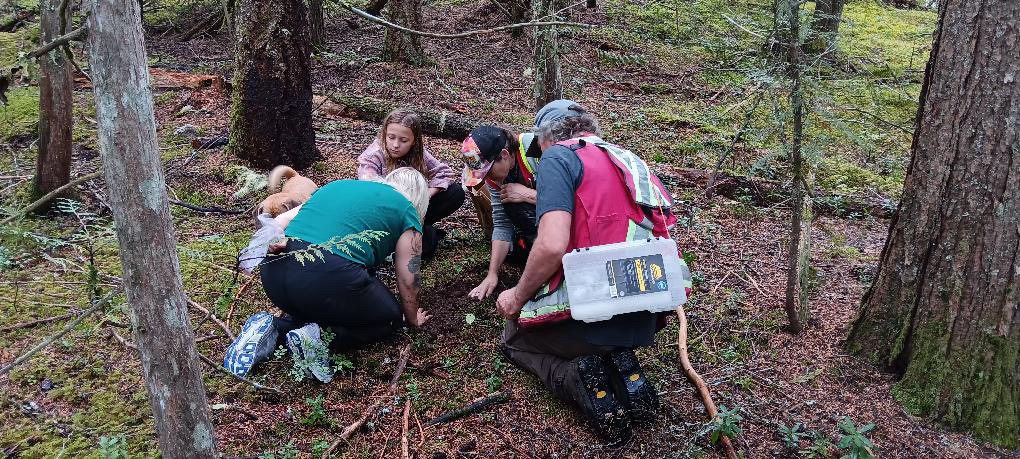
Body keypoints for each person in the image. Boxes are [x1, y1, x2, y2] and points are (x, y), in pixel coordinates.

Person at [494, 100, 682, 445]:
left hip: (593, 314)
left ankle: (576, 375)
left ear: (547, 137)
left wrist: (517, 296)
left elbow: (551, 245)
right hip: (645, 316)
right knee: (595, 329)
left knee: (512, 336)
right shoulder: (630, 160)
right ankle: (620, 364)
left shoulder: (558, 157)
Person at [224, 168, 432, 383]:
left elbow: (277, 223)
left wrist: (263, 247)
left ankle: (274, 329)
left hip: (274, 274)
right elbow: (408, 277)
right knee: (389, 318)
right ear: (419, 199)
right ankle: (320, 340)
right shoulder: (407, 210)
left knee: (321, 303)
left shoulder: (338, 185)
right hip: (325, 277)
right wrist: (411, 318)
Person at [358, 108, 465, 258]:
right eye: (391, 137)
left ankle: (417, 228)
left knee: (455, 192)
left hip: (412, 210)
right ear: (384, 135)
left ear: (414, 141)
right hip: (384, 211)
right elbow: (367, 181)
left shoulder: (418, 153)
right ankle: (402, 237)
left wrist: (425, 195)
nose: (395, 145)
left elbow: (442, 173)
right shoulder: (375, 154)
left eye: (403, 140)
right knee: (421, 250)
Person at [460, 125, 544, 300]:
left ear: (504, 155)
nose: (487, 179)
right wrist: (492, 273)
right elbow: (501, 222)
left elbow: (576, 198)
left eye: (487, 172)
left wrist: (529, 195)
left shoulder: (537, 147)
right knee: (509, 249)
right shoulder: (495, 176)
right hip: (536, 222)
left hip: (571, 224)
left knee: (514, 202)